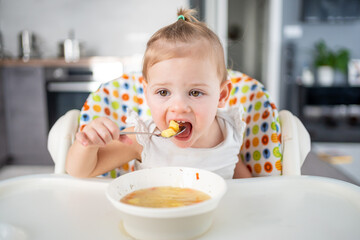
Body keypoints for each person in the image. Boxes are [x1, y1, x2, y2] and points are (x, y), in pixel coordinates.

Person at [66, 8, 252, 179]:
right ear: (147, 94)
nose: (178, 106)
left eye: (195, 92)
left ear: (221, 95)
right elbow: (80, 172)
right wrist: (89, 145)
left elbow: (241, 181)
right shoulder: (144, 138)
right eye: (163, 92)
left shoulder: (230, 130)